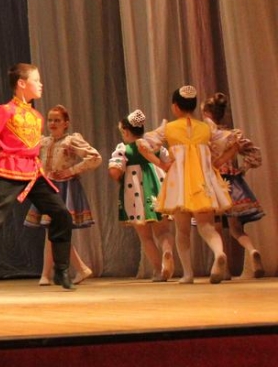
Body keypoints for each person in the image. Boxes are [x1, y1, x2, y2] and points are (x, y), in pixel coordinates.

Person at [0, 63, 74, 296]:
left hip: (33, 171)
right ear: (21, 83)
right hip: (9, 169)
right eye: (36, 80)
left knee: (61, 213)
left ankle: (62, 269)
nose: (40, 84)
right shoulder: (6, 111)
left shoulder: (37, 116)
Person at [138, 85, 232, 284]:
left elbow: (143, 145)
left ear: (175, 107)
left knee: (182, 231)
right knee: (206, 226)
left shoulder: (169, 128)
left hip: (179, 183)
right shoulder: (206, 127)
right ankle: (218, 253)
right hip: (202, 182)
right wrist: (217, 163)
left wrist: (161, 164)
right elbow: (232, 142)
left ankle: (188, 274)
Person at [23, 105, 101, 285]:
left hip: (64, 187)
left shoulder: (71, 141)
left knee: (55, 230)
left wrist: (70, 171)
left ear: (66, 123)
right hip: (47, 186)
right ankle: (58, 272)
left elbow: (95, 158)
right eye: (50, 120)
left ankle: (54, 273)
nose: (52, 123)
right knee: (53, 231)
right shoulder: (43, 142)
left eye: (57, 120)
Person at [108, 109, 174, 281]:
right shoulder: (154, 146)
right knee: (163, 231)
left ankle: (158, 270)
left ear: (126, 132)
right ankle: (167, 251)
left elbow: (115, 171)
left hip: (136, 193)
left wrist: (118, 174)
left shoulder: (124, 149)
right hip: (158, 189)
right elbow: (169, 163)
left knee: (146, 237)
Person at [205, 92, 265, 279]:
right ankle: (252, 249)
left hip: (213, 182)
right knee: (236, 229)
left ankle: (224, 269)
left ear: (207, 114)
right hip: (233, 183)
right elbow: (255, 154)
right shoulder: (232, 135)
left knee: (215, 228)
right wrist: (242, 169)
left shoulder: (206, 136)